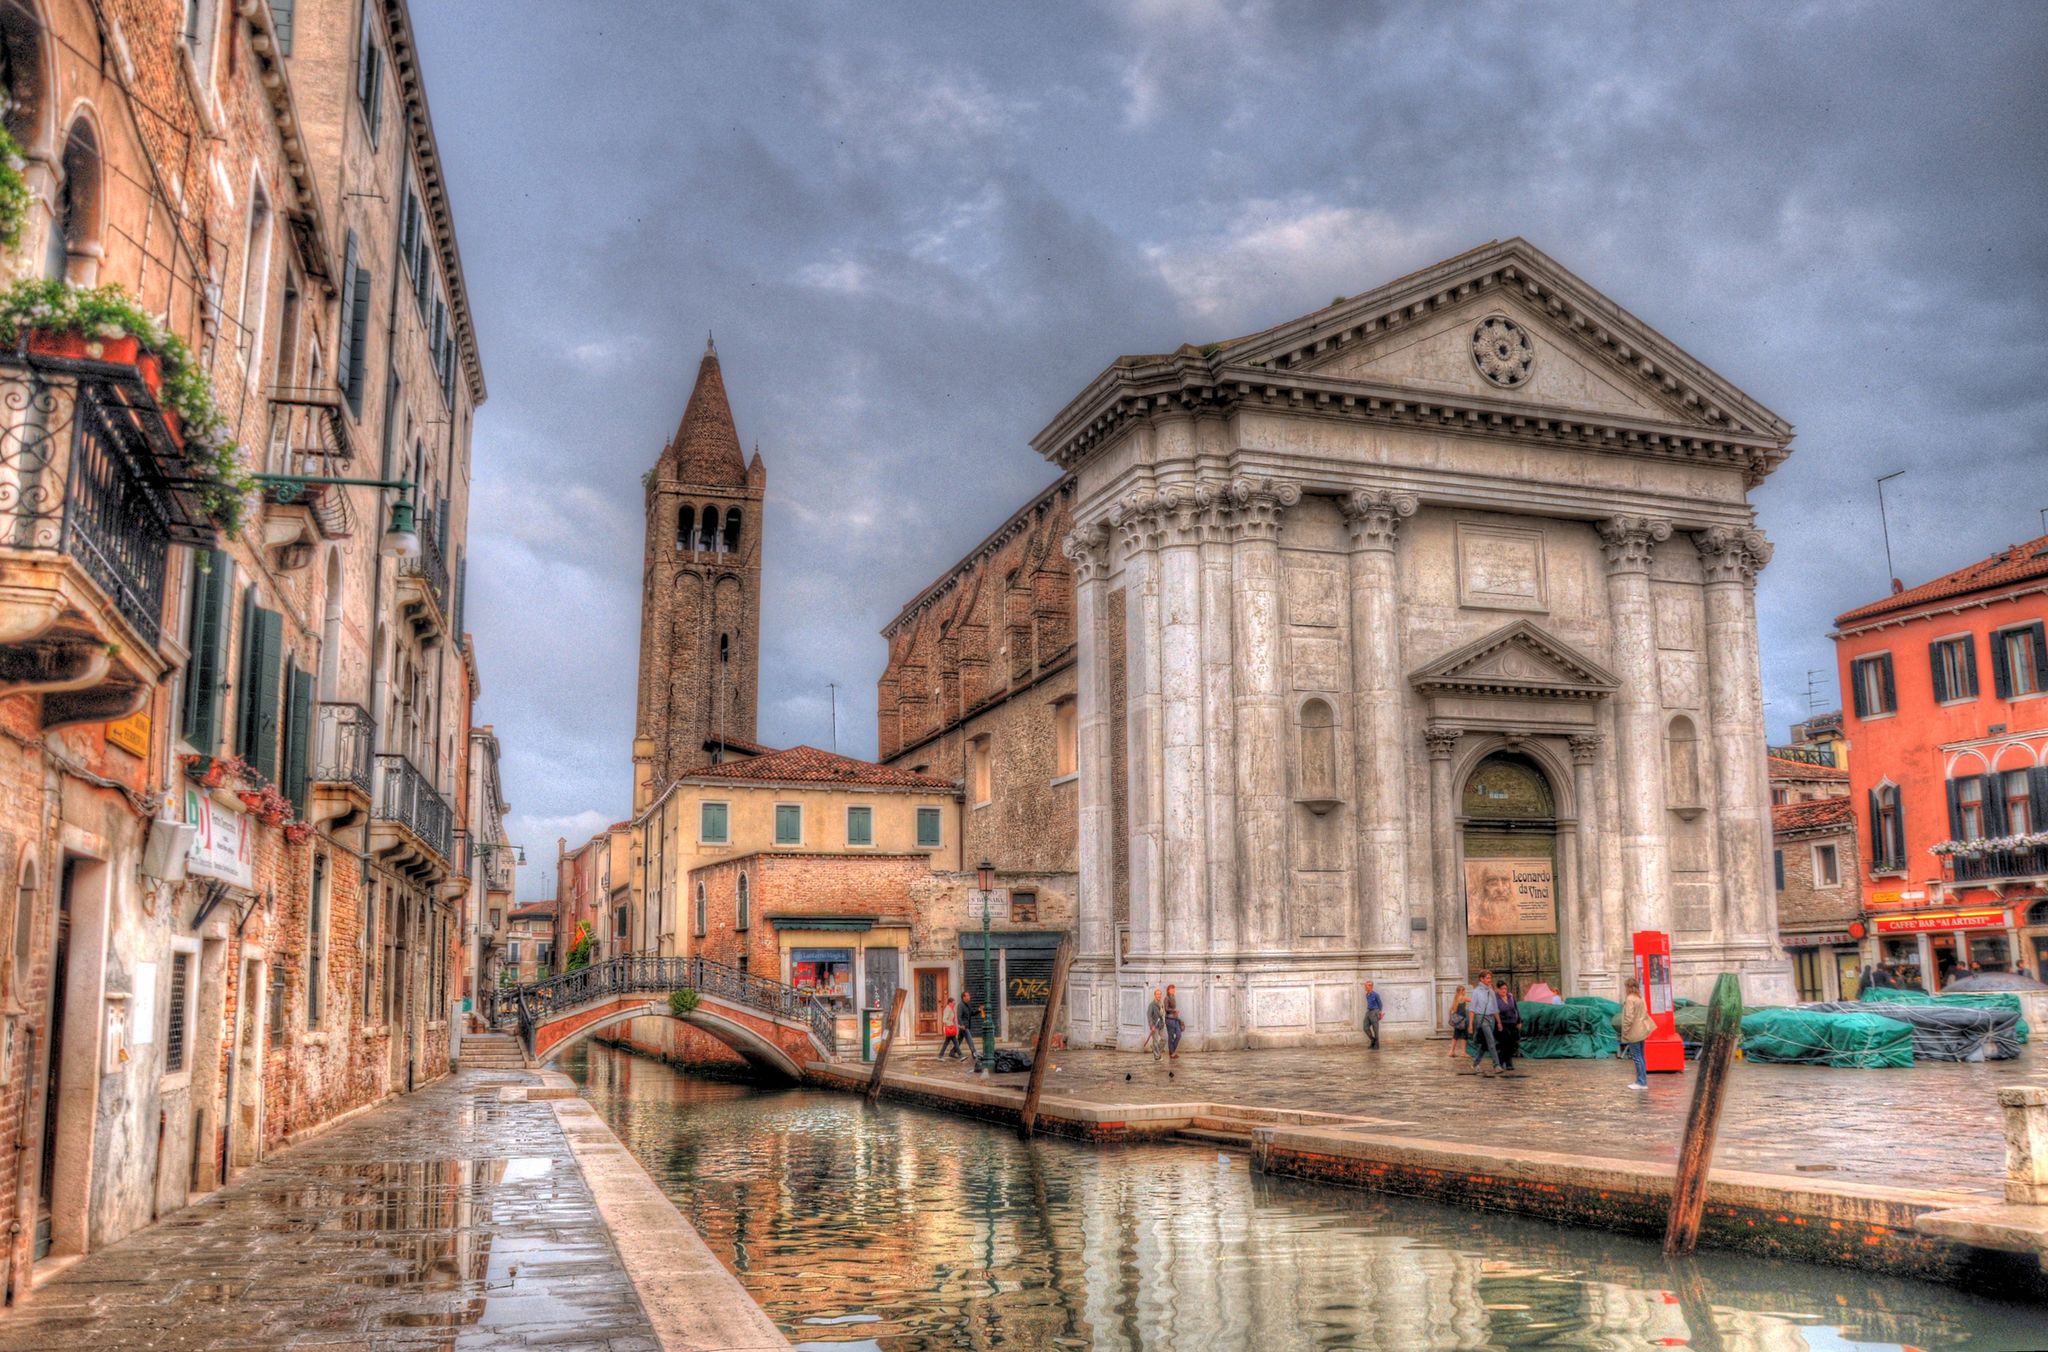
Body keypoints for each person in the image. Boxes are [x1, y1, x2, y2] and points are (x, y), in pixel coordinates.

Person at [1616, 975, 1653, 1089]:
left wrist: (1625, 1032)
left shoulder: (1630, 999)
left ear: (1628, 987)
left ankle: (1641, 1082)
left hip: (1634, 1031)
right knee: (1641, 1056)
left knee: (1637, 1057)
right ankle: (1642, 1080)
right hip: (1641, 1030)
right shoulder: (1639, 998)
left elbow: (1628, 1017)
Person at [1466, 970, 1502, 1075]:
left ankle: (1475, 1063)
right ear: (1481, 979)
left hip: (1492, 1019)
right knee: (1491, 1041)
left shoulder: (1491, 991)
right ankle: (1497, 1065)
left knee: (1485, 1044)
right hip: (1481, 1018)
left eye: (1490, 978)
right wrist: (1470, 1025)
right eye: (1487, 978)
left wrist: (1499, 1022)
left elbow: (1495, 1008)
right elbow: (1472, 1008)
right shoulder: (1476, 991)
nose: (1489, 980)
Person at [1494, 979, 1520, 1072]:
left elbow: (1516, 1009)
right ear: (1497, 989)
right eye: (1501, 989)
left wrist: (1519, 1021)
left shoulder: (1510, 996)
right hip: (1502, 1024)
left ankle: (1506, 1061)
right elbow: (1495, 1011)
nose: (1504, 990)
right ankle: (1505, 1062)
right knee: (1504, 1044)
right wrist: (1499, 1023)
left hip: (1512, 1023)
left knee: (1512, 1044)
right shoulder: (1495, 998)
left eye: (1505, 988)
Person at [1143, 988, 1165, 1060]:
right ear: (1154, 995)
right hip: (1154, 1026)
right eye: (1157, 994)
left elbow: (1161, 1015)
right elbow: (1149, 1016)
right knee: (1155, 1041)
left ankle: (1155, 1049)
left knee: (1164, 1039)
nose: (1159, 996)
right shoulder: (1151, 1005)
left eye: (1160, 994)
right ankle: (1157, 1056)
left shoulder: (1161, 1004)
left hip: (1161, 1025)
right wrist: (1151, 1025)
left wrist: (1163, 1022)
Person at [1448, 985, 1470, 1058]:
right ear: (1461, 991)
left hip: (1457, 1021)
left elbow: (1450, 1010)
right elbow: (1472, 1000)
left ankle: (1451, 1051)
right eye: (1464, 990)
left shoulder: (1456, 999)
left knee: (1455, 1036)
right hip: (1462, 1020)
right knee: (1464, 1036)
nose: (1465, 992)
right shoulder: (1463, 998)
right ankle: (1463, 1052)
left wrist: (1450, 1019)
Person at [1163, 984, 1184, 1059]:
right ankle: (1172, 1053)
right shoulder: (1166, 998)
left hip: (1175, 1019)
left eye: (1174, 990)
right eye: (1172, 990)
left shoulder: (1173, 997)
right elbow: (1166, 1009)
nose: (1173, 991)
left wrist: (1176, 1014)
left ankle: (1172, 1051)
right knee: (1171, 1037)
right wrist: (1174, 1010)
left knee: (1179, 1035)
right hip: (1169, 1019)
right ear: (1168, 990)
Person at [1362, 980, 1384, 1050]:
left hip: (1375, 1011)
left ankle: (1376, 1045)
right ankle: (1373, 1040)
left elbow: (1380, 1004)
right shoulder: (1367, 994)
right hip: (1368, 1011)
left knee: (1375, 1029)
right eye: (1365, 986)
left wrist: (1380, 1013)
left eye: (1366, 986)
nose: (1365, 987)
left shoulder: (1376, 995)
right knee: (1365, 1027)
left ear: (1370, 986)